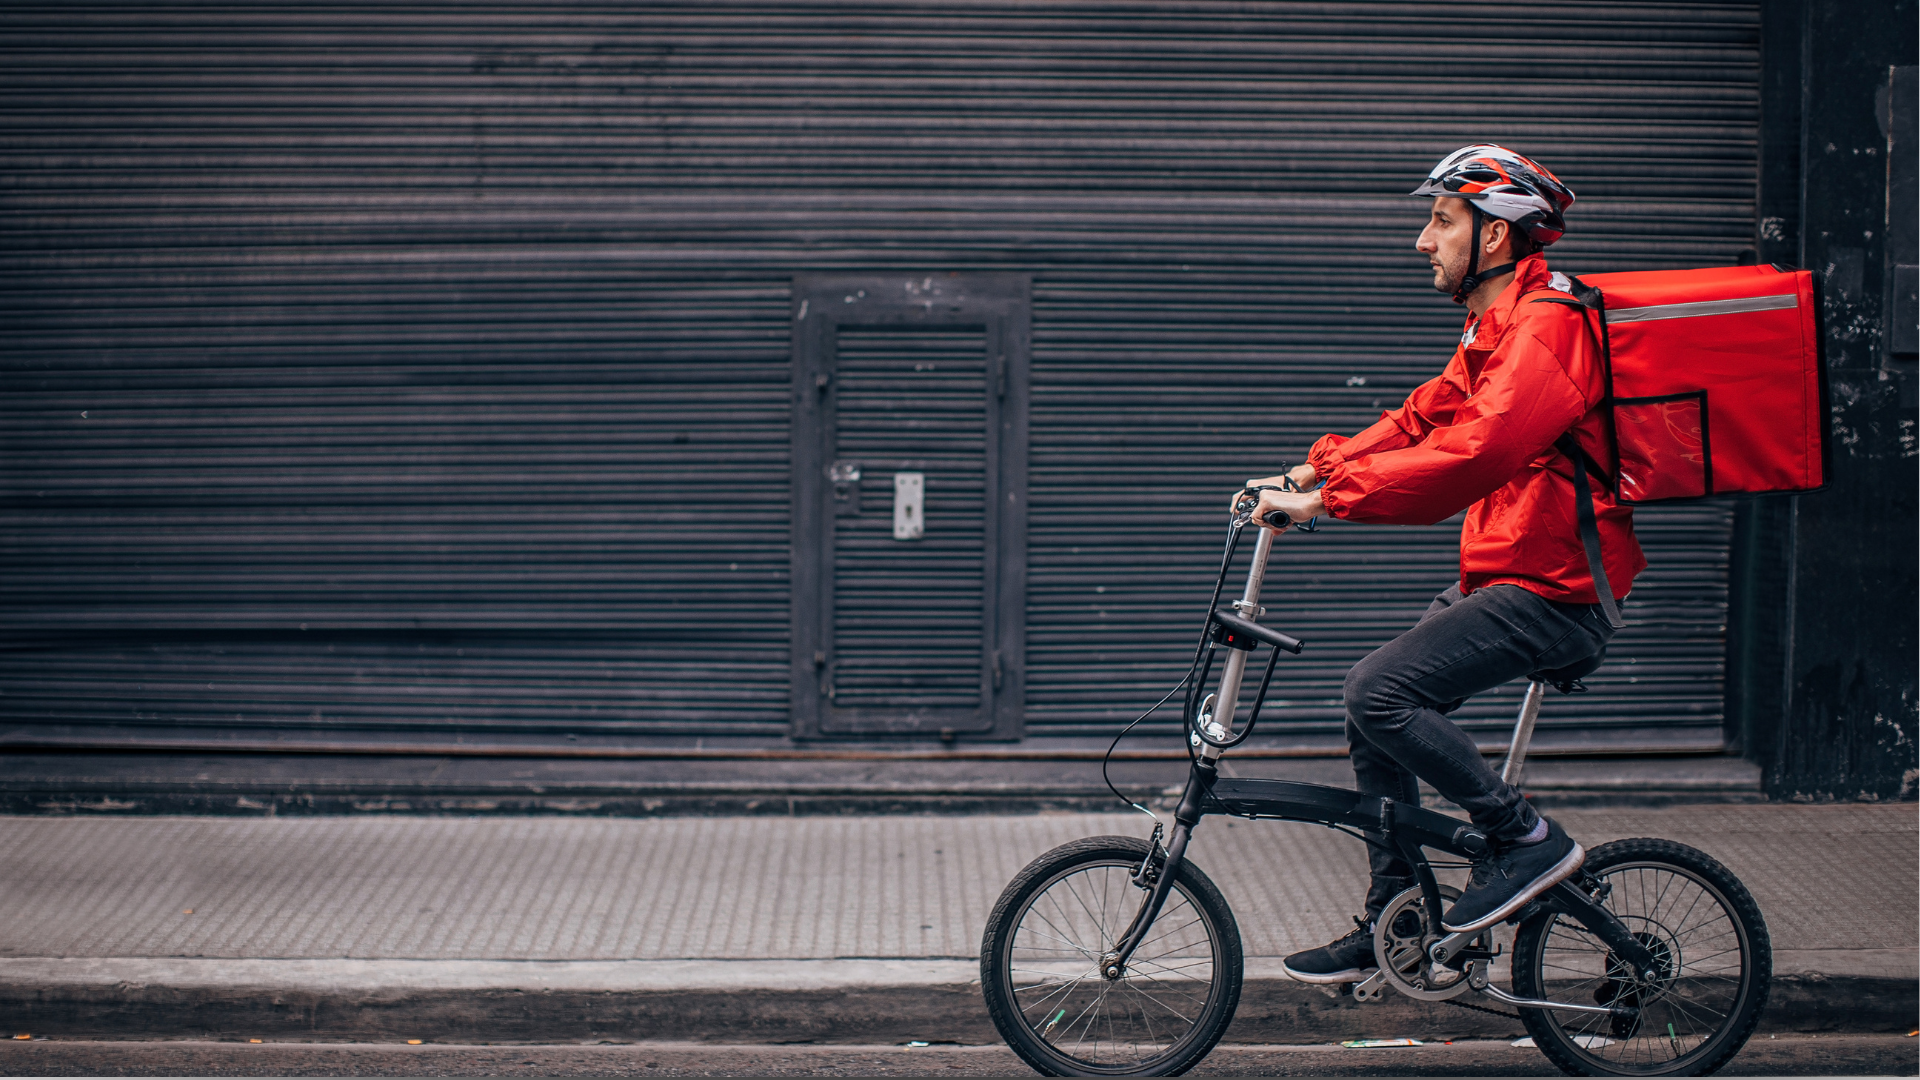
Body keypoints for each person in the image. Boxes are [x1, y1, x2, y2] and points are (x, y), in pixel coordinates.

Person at [1241, 145, 1646, 984]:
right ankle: (1404, 917)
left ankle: (1524, 839)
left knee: (1377, 691)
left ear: (1494, 238)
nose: (1424, 240)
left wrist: (1330, 502)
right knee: (1371, 706)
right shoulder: (1498, 324)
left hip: (1557, 593)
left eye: (1441, 220)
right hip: (1510, 579)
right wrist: (1310, 469)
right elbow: (1428, 413)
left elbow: (1477, 451)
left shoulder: (1550, 326)